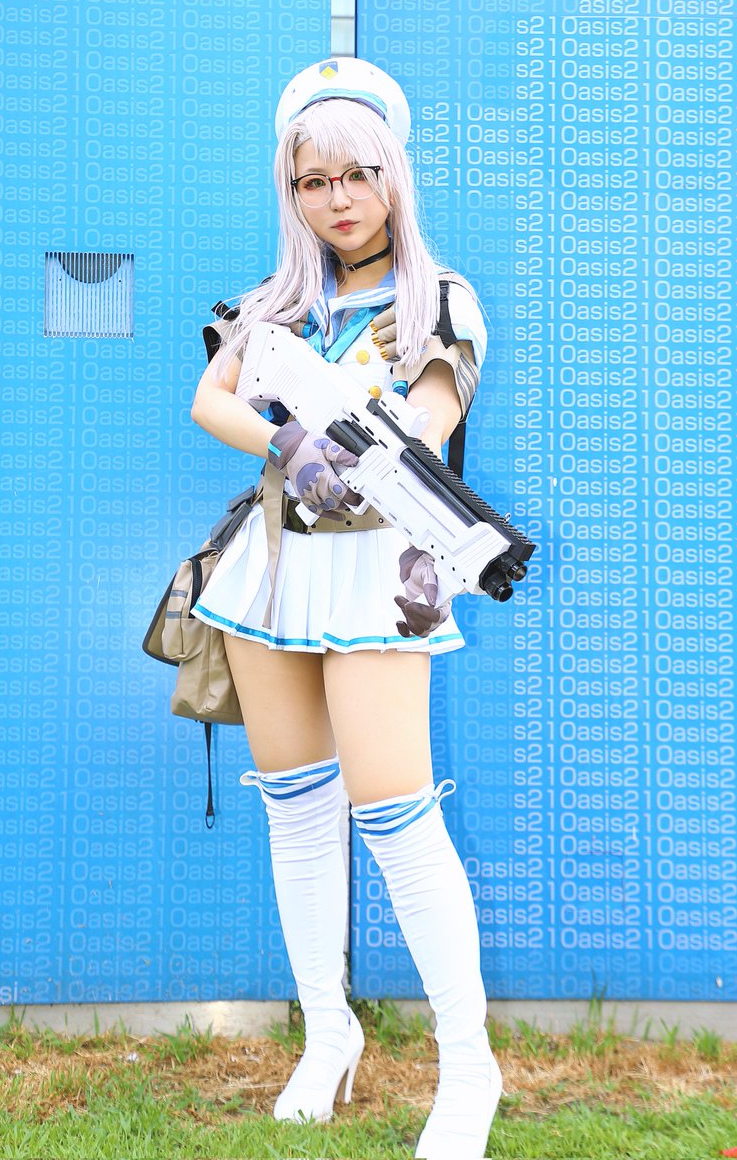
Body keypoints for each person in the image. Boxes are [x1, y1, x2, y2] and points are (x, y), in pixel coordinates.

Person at [189, 57, 502, 1160]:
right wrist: (288, 438)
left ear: (392, 175)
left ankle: (468, 1066)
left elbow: (424, 425)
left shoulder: (437, 299)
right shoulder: (275, 304)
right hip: (272, 568)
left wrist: (350, 437)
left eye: (357, 174)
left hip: (383, 569)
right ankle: (328, 1034)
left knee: (397, 816)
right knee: (294, 807)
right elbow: (211, 399)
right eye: (312, 181)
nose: (337, 198)